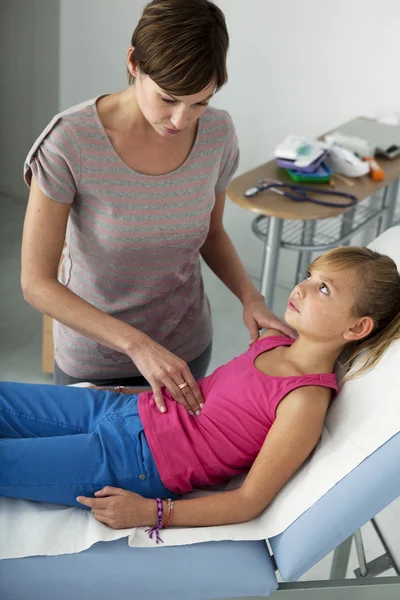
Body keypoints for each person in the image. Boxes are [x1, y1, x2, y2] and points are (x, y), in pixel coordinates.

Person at [2, 247, 400, 535]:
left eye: (324, 289)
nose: (302, 287)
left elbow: (249, 502)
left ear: (357, 328)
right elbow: (212, 404)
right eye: (311, 275)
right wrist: (133, 393)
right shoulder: (274, 341)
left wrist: (151, 513)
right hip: (124, 407)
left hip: (136, 461)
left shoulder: (304, 401)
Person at [21, 0, 294, 415]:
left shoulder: (218, 133)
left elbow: (213, 232)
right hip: (97, 357)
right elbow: (36, 283)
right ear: (133, 63)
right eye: (168, 99)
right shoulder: (70, 142)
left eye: (200, 102)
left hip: (185, 348)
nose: (181, 120)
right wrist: (138, 345)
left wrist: (250, 297)